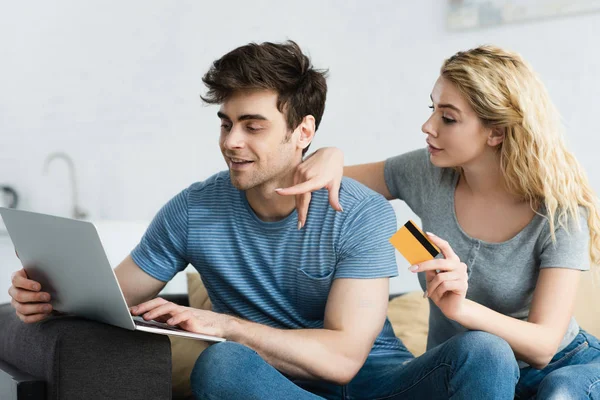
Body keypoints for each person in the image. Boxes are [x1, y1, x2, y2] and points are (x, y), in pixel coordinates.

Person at [8, 41, 518, 400]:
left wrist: (225, 325)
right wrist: (47, 298)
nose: (232, 141)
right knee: (223, 365)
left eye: (253, 126)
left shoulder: (361, 212)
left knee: (486, 353)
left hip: (381, 388)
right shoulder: (193, 209)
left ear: (302, 131)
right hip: (273, 389)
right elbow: (113, 296)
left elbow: (343, 359)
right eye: (227, 123)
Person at [278, 44, 600, 399]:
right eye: (432, 109)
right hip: (471, 372)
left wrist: (461, 309)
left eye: (448, 118)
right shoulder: (427, 172)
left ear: (496, 132)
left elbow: (543, 345)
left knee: (560, 392)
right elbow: (329, 180)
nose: (427, 126)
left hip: (562, 366)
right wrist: (330, 153)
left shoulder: (560, 212)